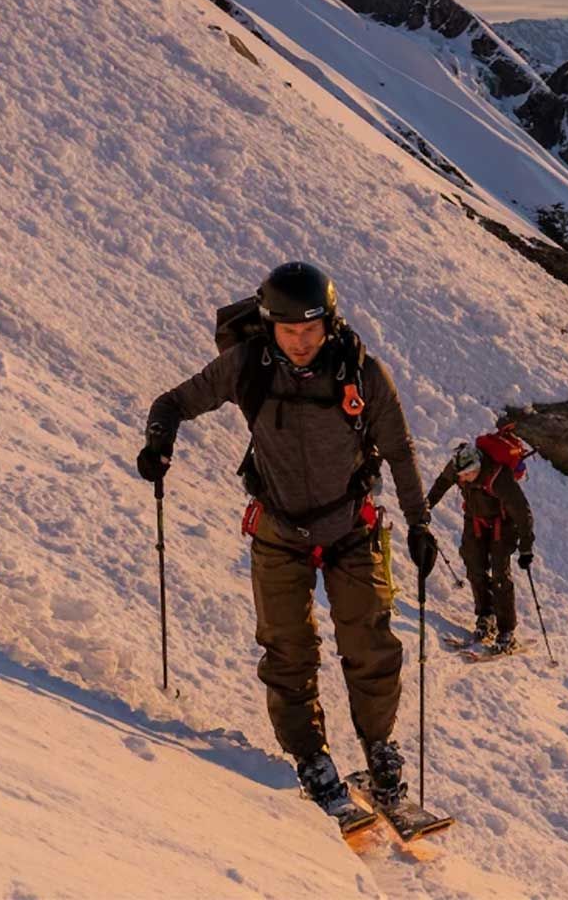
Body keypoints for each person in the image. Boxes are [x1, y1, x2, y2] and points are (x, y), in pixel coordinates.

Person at [135, 262, 438, 823]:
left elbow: (400, 451)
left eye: (311, 329)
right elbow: (172, 402)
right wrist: (159, 444)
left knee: (370, 645)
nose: (301, 342)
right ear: (270, 326)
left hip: (352, 526)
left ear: (330, 323)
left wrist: (419, 525)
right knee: (287, 651)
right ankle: (312, 759)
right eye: (289, 330)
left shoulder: (363, 374)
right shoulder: (248, 364)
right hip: (278, 530)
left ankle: (379, 754)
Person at [426, 434, 535, 654]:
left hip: (502, 526)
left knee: (500, 575)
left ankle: (506, 632)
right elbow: (442, 483)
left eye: (468, 475)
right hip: (474, 520)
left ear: (478, 467)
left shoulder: (498, 477)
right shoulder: (458, 466)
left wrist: (526, 548)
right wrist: (425, 507)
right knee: (474, 566)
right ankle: (486, 616)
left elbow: (523, 513)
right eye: (461, 475)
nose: (463, 479)